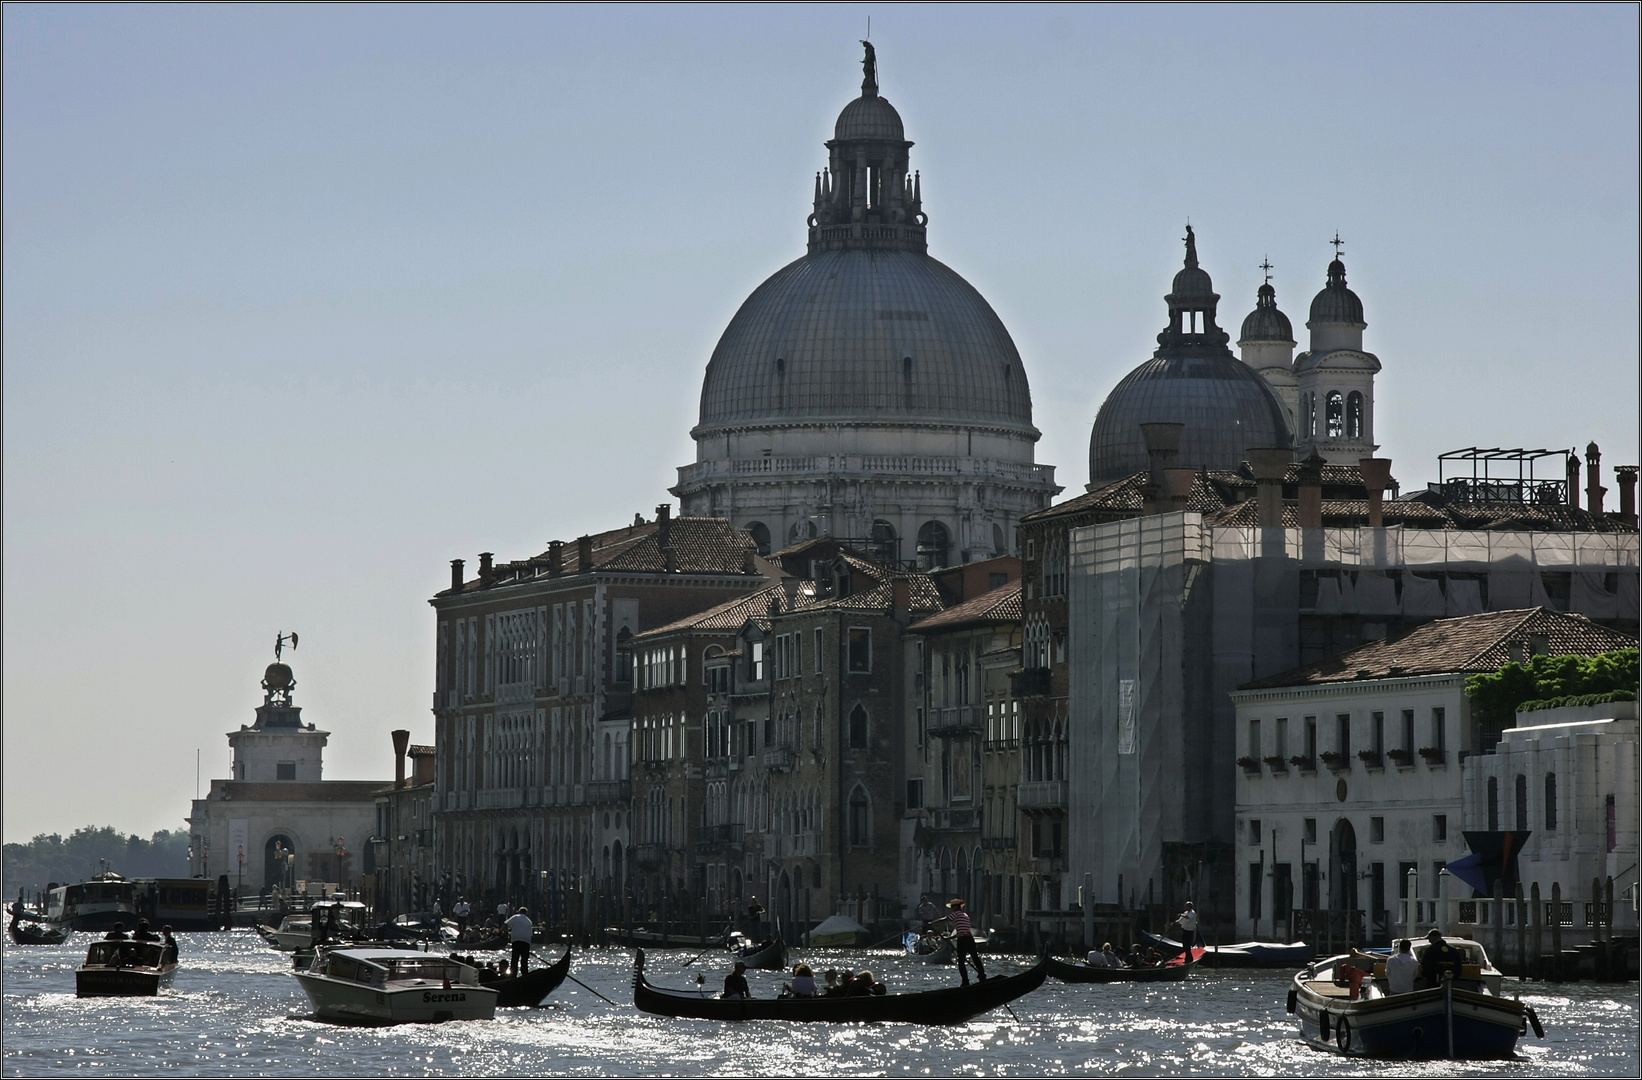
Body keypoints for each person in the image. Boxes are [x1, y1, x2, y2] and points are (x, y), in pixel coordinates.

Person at [946, 898, 986, 985]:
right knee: (975, 957)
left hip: (963, 940)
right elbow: (961, 932)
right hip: (969, 939)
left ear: (956, 907)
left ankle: (965, 981)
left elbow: (946, 919)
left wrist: (932, 923)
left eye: (952, 907)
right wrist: (949, 938)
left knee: (961, 962)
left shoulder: (956, 914)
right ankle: (982, 975)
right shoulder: (965, 915)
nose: (952, 909)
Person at [505, 906, 534, 976]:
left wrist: (499, 932)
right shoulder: (529, 921)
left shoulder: (516, 917)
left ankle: (513, 974)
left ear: (519, 912)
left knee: (515, 958)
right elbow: (531, 934)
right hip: (526, 942)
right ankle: (525, 974)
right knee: (524, 960)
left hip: (517, 940)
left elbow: (506, 924)